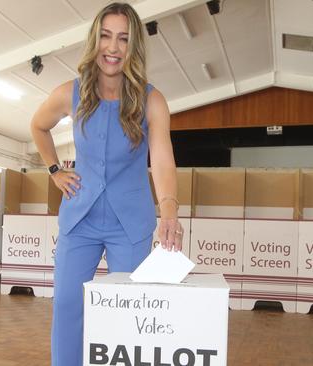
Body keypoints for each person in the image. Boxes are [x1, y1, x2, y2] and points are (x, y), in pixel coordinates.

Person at [30, 3, 183, 365]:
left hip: (129, 222)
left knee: (128, 315)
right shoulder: (70, 92)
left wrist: (169, 211)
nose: (113, 48)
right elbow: (38, 125)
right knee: (68, 305)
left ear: (134, 48)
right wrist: (54, 170)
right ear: (95, 39)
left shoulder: (151, 100)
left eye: (123, 39)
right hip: (79, 217)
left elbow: (161, 159)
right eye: (106, 36)